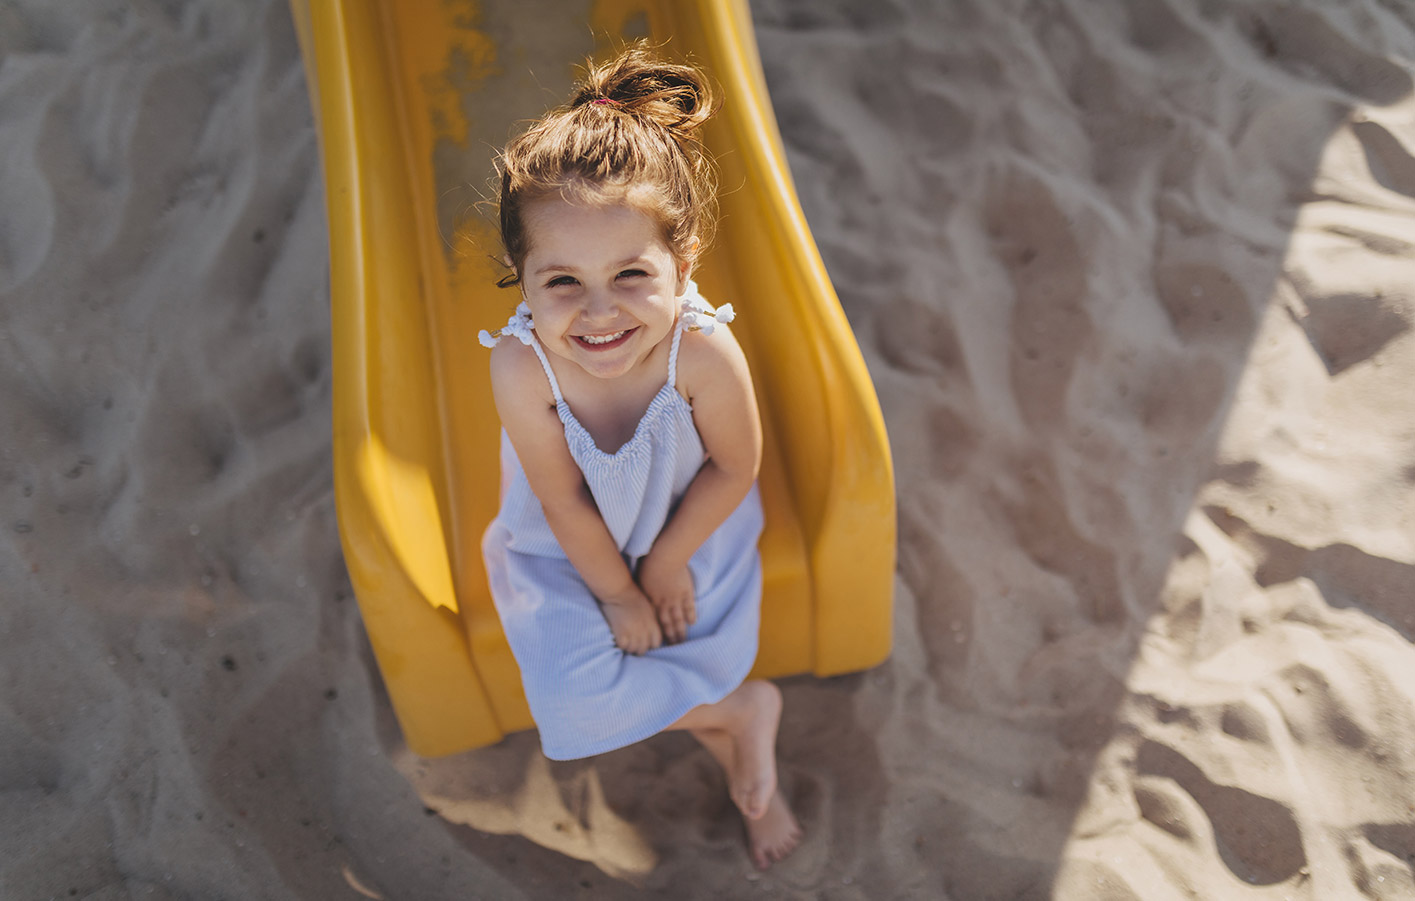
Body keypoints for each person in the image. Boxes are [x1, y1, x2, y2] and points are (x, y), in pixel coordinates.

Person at [477, 45, 801, 869]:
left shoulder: (701, 349)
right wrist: (620, 593)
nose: (599, 313)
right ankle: (737, 714)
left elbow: (734, 467)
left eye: (630, 274)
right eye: (561, 282)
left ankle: (736, 722)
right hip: (567, 547)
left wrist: (663, 562)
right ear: (520, 277)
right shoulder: (521, 365)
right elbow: (560, 501)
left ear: (680, 267)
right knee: (571, 707)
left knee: (683, 639)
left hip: (689, 526)